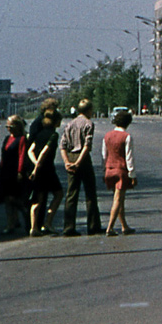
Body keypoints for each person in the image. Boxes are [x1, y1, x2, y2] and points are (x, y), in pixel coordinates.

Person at [59, 99, 102, 236]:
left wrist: (67, 162)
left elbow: (63, 145)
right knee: (90, 192)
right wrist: (78, 162)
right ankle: (93, 226)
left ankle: (68, 227)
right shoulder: (88, 124)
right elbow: (87, 146)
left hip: (71, 156)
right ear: (89, 110)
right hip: (83, 159)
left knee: (71, 193)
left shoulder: (70, 124)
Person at [27, 107, 63, 235]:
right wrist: (38, 166)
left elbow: (30, 151)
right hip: (47, 169)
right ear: (55, 121)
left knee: (38, 199)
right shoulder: (54, 135)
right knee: (58, 194)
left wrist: (35, 163)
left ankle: (33, 227)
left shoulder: (40, 134)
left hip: (38, 169)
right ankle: (48, 222)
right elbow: (44, 152)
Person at [102, 109, 137, 236]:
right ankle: (110, 228)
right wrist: (132, 175)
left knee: (120, 199)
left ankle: (124, 226)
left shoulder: (107, 136)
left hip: (109, 170)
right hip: (121, 171)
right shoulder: (126, 137)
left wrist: (104, 170)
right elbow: (129, 158)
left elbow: (104, 155)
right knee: (118, 199)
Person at [0, 115, 32, 234]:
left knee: (14, 199)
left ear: (17, 126)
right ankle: (10, 223)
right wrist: (1, 169)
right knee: (7, 199)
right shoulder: (7, 138)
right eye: (7, 126)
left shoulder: (21, 139)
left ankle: (26, 217)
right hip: (5, 172)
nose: (8, 128)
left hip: (15, 173)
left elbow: (22, 156)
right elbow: (3, 155)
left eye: (10, 126)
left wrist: (20, 172)